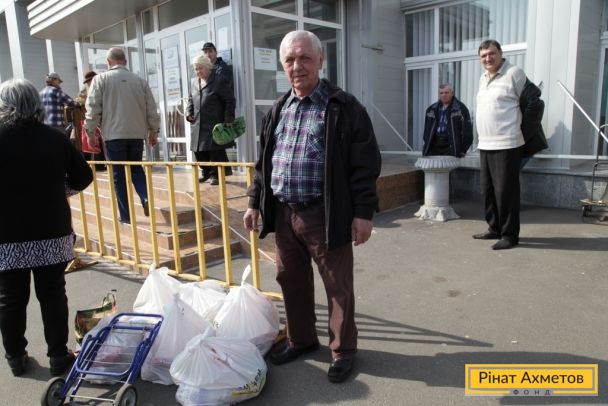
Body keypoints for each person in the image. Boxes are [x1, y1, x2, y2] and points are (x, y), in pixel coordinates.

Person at [243, 30, 381, 383]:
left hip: (325, 213)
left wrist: (363, 213)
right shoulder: (279, 109)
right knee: (290, 279)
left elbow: (365, 164)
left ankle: (343, 351)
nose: (297, 66)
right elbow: (264, 164)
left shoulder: (343, 107)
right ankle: (301, 339)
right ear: (282, 66)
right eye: (289, 60)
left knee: (337, 285)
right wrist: (255, 202)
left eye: (304, 58)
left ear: (321, 60)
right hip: (284, 212)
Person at [0, 78, 93, 377]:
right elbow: (83, 177)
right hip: (51, 231)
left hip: (6, 235)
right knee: (53, 294)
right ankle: (57, 356)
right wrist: (57, 190)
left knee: (10, 298)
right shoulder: (55, 138)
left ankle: (15, 357)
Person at [85, 47, 160, 224]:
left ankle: (126, 217)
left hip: (113, 135)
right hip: (136, 134)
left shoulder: (100, 79)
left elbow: (93, 108)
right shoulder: (140, 81)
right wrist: (153, 131)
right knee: (136, 169)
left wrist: (90, 132)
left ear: (108, 62)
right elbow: (151, 108)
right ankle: (144, 196)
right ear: (125, 62)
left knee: (118, 175)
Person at [473, 39, 526, 250]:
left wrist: (521, 133)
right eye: (483, 55)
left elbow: (533, 104)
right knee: (487, 191)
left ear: (500, 53)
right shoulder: (483, 78)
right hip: (486, 144)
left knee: (506, 193)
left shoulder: (514, 73)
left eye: (492, 53)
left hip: (507, 144)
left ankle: (509, 235)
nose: (488, 58)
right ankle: (494, 228)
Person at [186, 54, 235, 185]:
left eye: (200, 68)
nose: (198, 71)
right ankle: (206, 172)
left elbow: (230, 100)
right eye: (196, 69)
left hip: (214, 122)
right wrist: (188, 112)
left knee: (214, 151)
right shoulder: (194, 83)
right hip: (198, 123)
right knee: (198, 151)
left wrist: (229, 118)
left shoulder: (218, 80)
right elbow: (190, 99)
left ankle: (216, 175)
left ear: (207, 66)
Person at [422, 84, 472, 157]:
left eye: (446, 92)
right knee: (434, 164)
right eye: (441, 93)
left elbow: (468, 132)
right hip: (433, 146)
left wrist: (462, 150)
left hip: (451, 146)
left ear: (452, 93)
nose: (444, 95)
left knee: (450, 165)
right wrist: (426, 144)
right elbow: (426, 131)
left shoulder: (461, 109)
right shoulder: (431, 109)